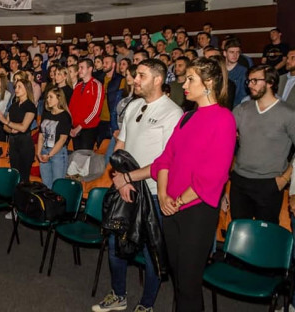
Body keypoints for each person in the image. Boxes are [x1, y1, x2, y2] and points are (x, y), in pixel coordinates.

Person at [117, 57, 236, 312]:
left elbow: (213, 175)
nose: (184, 83)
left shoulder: (223, 119)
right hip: (171, 207)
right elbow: (164, 160)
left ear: (209, 83)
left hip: (196, 210)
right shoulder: (187, 118)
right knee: (180, 280)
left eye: (191, 79)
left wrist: (178, 200)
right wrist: (162, 195)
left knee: (189, 284)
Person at [95, 60, 182, 312]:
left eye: (141, 76)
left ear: (158, 79)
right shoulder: (133, 106)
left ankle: (146, 305)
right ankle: (119, 295)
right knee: (116, 245)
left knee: (151, 251)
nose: (134, 79)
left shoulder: (172, 113)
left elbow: (163, 164)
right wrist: (120, 178)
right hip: (126, 188)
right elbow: (119, 147)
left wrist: (128, 178)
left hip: (153, 194)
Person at [229, 65, 295, 224]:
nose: (250, 85)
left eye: (255, 81)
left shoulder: (288, 114)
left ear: (270, 82)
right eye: (248, 81)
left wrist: (285, 178)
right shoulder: (242, 109)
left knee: (265, 237)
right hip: (240, 181)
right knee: (239, 233)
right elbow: (222, 135)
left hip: (269, 183)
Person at [0, 79, 36, 183]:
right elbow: (5, 127)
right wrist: (11, 128)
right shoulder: (13, 105)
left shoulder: (30, 106)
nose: (16, 89)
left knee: (23, 177)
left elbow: (23, 127)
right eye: (16, 87)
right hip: (13, 142)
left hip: (25, 143)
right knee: (14, 174)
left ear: (26, 89)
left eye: (19, 87)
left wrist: (7, 123)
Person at [37, 88, 72, 189]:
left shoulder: (65, 116)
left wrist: (50, 154)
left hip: (58, 153)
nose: (48, 99)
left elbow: (62, 139)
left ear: (59, 98)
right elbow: (41, 135)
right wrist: (38, 152)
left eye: (51, 97)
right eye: (47, 97)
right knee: (46, 185)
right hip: (44, 151)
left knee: (58, 186)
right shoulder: (46, 113)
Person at [69, 59, 105, 150]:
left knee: (85, 158)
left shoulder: (97, 85)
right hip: (74, 128)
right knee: (76, 157)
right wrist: (70, 125)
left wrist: (81, 126)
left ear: (90, 69)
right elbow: (71, 107)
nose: (79, 70)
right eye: (78, 68)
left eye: (82, 68)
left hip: (88, 128)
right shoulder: (78, 86)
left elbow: (96, 111)